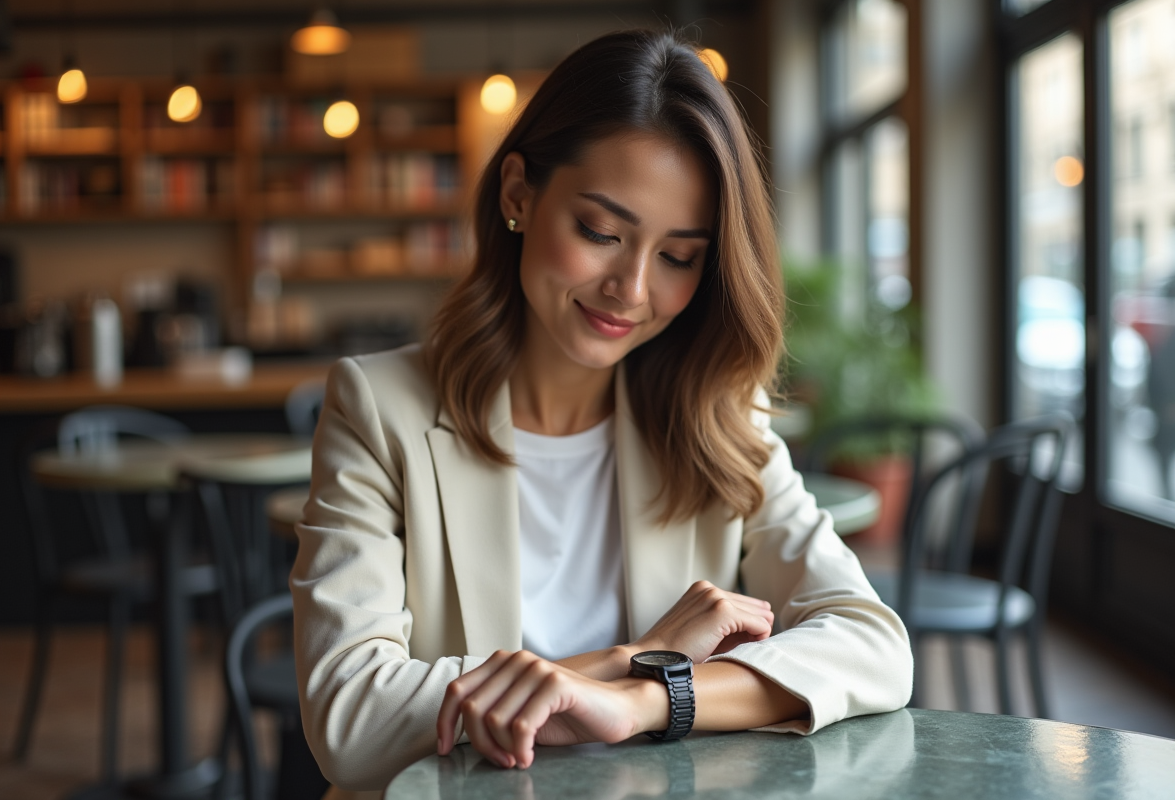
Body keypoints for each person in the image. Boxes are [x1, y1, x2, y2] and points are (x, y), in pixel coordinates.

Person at [291, 29, 913, 798]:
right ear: (518, 194)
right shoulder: (378, 407)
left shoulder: (718, 414)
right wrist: (638, 652)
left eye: (678, 256)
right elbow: (351, 726)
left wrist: (647, 698)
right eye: (601, 232)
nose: (632, 288)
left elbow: (873, 646)